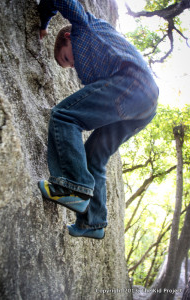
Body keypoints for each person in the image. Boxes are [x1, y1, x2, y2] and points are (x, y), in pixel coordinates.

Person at [37, 0, 159, 239]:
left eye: (66, 58)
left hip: (133, 83)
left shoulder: (83, 25)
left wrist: (44, 21)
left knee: (64, 116)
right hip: (143, 106)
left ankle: (72, 188)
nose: (71, 65)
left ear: (69, 37)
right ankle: (93, 223)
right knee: (94, 157)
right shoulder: (91, 74)